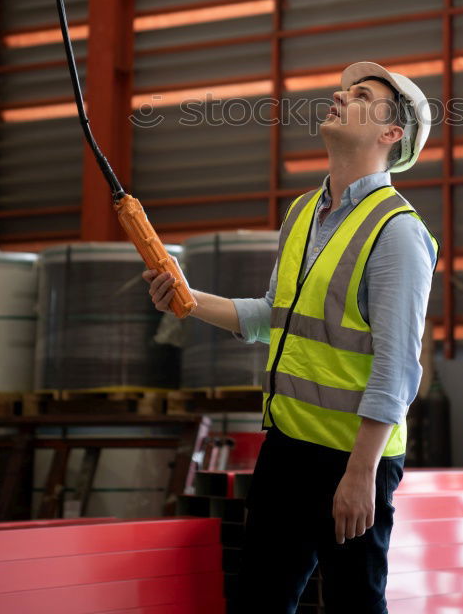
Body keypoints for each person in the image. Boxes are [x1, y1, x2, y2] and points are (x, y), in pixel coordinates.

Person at [144, 60, 439, 614]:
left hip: (351, 460)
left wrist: (360, 476)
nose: (339, 95)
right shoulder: (304, 213)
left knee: (353, 605)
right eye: (343, 89)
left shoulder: (397, 232)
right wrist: (186, 297)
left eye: (360, 95)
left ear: (390, 133)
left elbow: (397, 367)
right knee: (259, 601)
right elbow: (268, 317)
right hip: (285, 449)